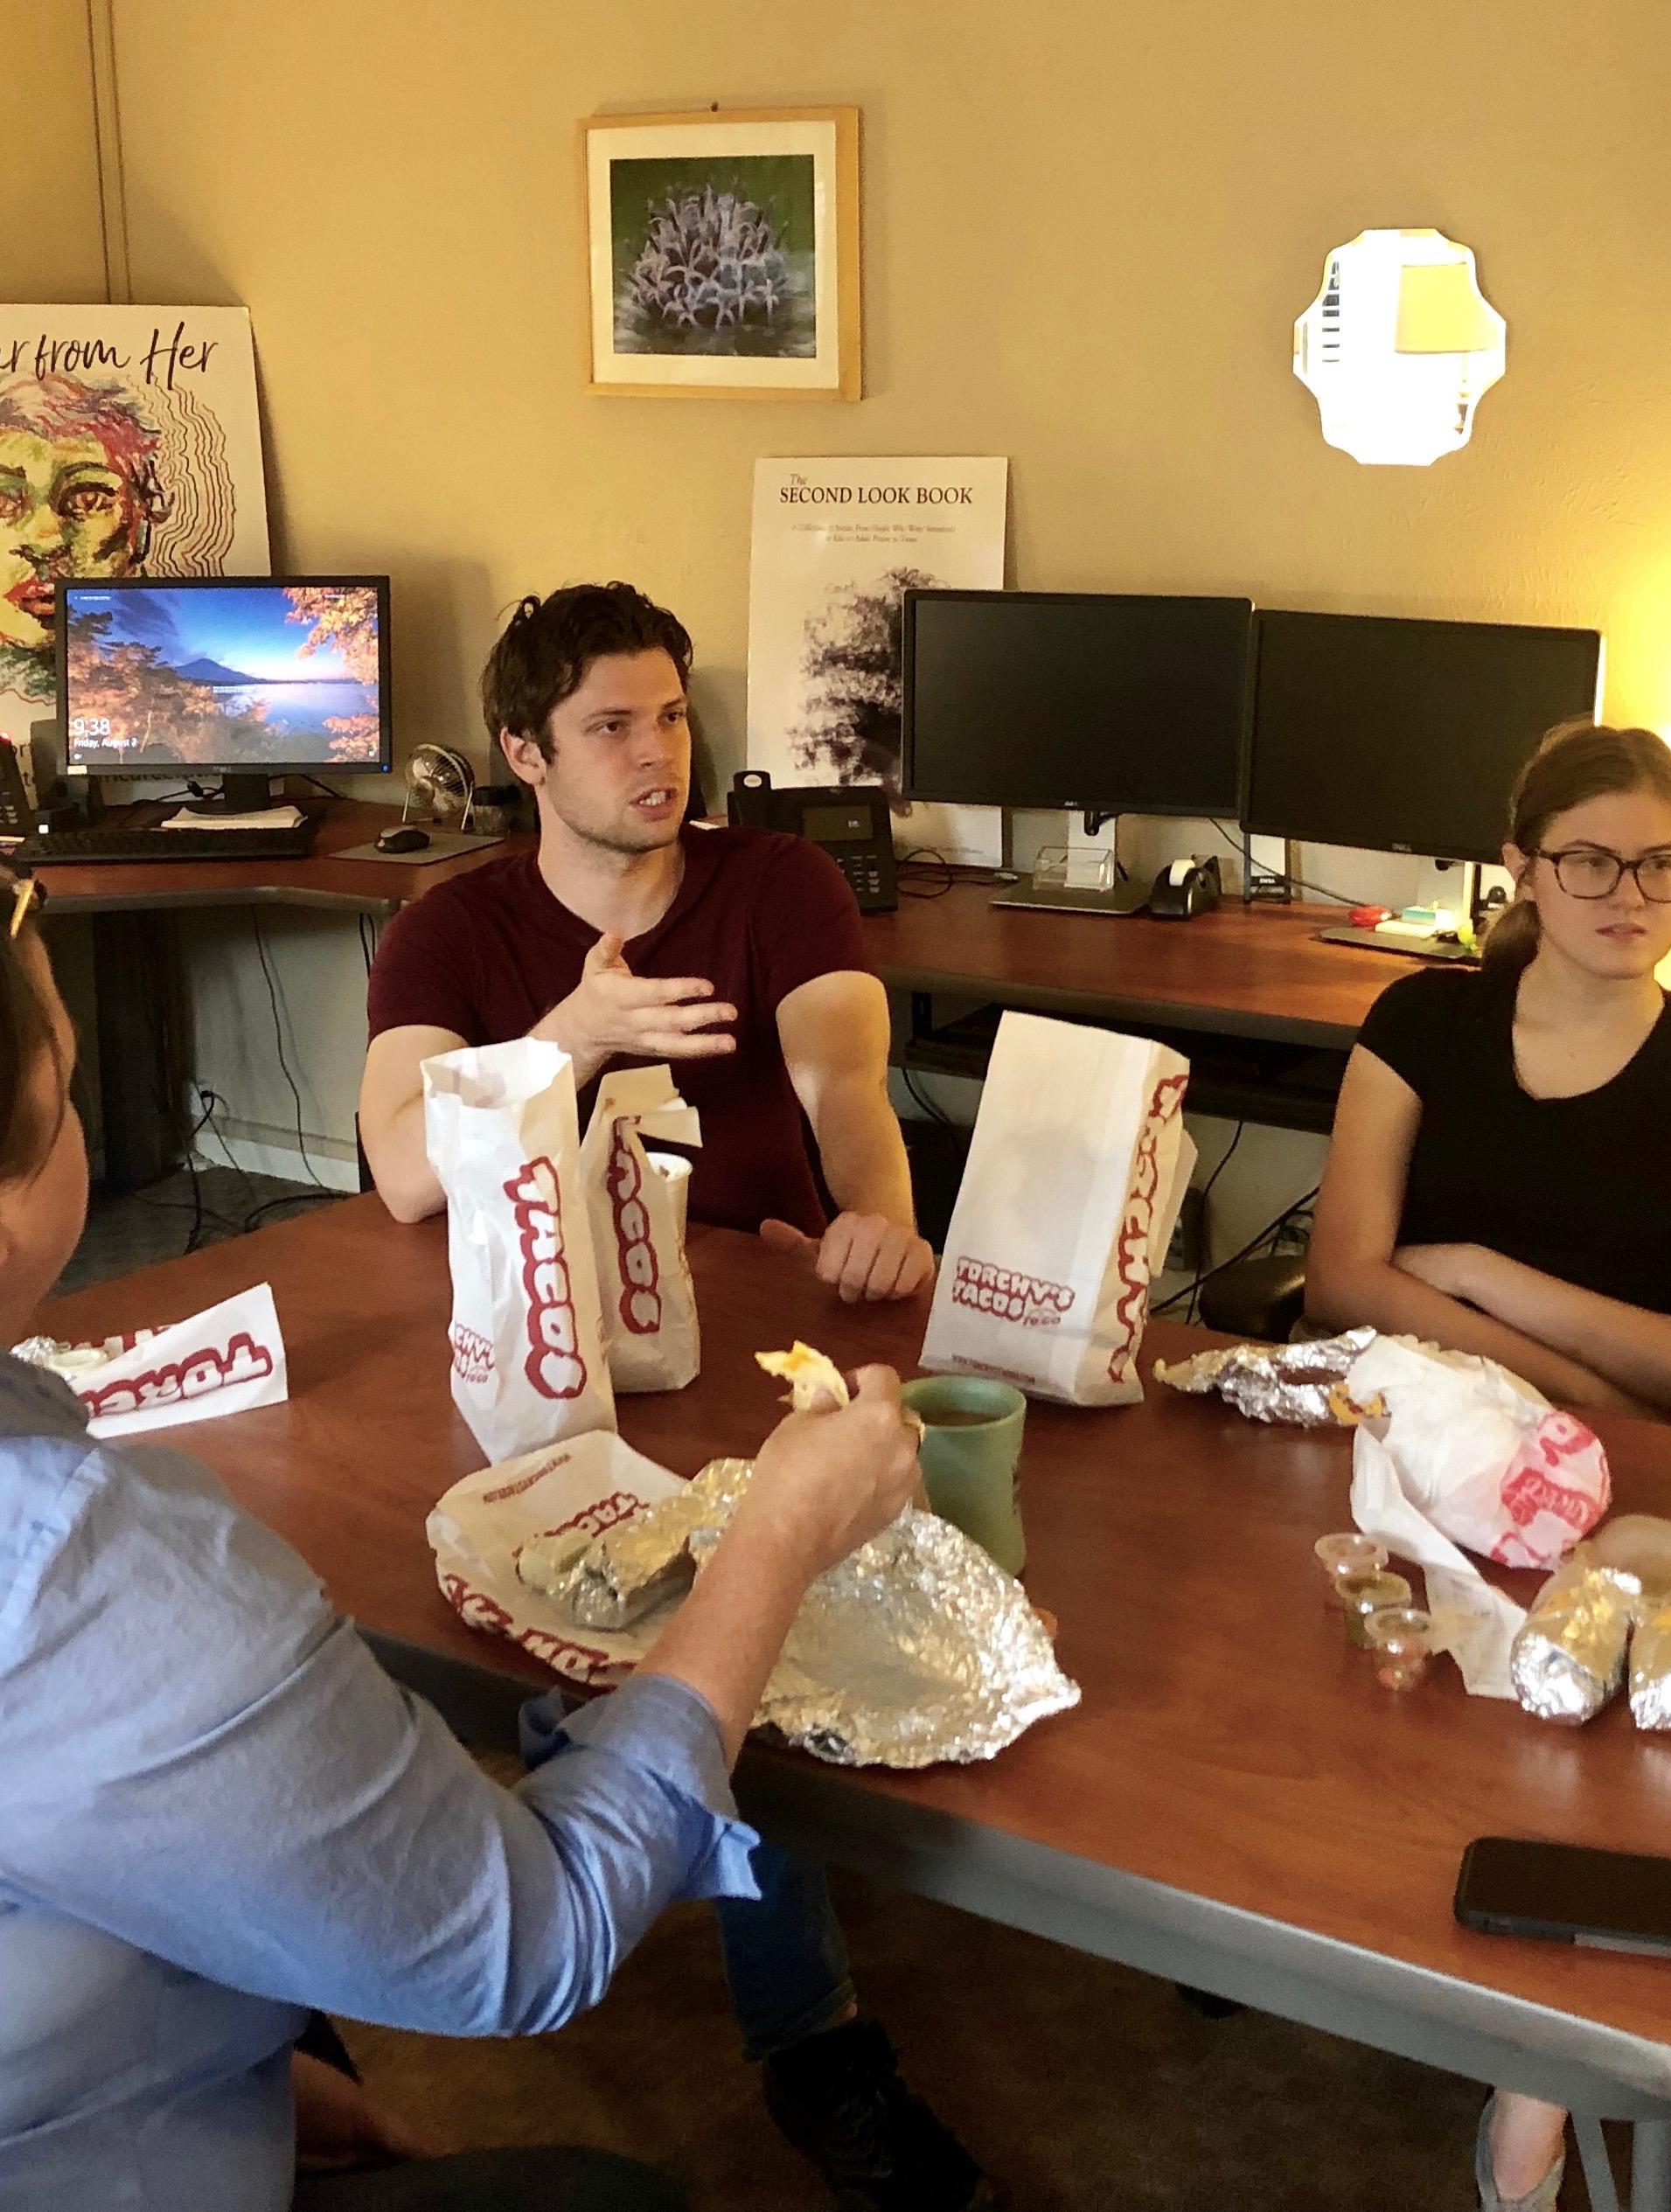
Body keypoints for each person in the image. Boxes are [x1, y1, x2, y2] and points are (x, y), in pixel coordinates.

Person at [0, 866, 928, 2209]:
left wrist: (215, 2059)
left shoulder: (782, 886)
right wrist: (781, 1533)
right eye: (72, 1085)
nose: (654, 752)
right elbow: (532, 1938)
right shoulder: (98, 1581)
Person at [357, 584, 986, 2212]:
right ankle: (781, 1998)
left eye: (671, 716)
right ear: (521, 751)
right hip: (542, 1370)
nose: (657, 757)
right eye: (610, 727)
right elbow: (405, 1174)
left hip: (751, 1332)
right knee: (611, 1630)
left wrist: (882, 1217)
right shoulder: (456, 931)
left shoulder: (770, 880)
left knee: (742, 1620)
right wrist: (564, 1033)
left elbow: (846, 1068)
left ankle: (807, 2023)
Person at [1305, 720, 1671, 2209]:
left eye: (1664, 864)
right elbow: (1341, 1278)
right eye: (1588, 857)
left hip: (1625, 1477)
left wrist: (1490, 1284)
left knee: (1591, 1725)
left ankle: (1534, 2080)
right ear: (1519, 864)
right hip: (1411, 1428)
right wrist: (1568, 1365)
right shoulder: (1423, 1022)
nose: (1627, 891)